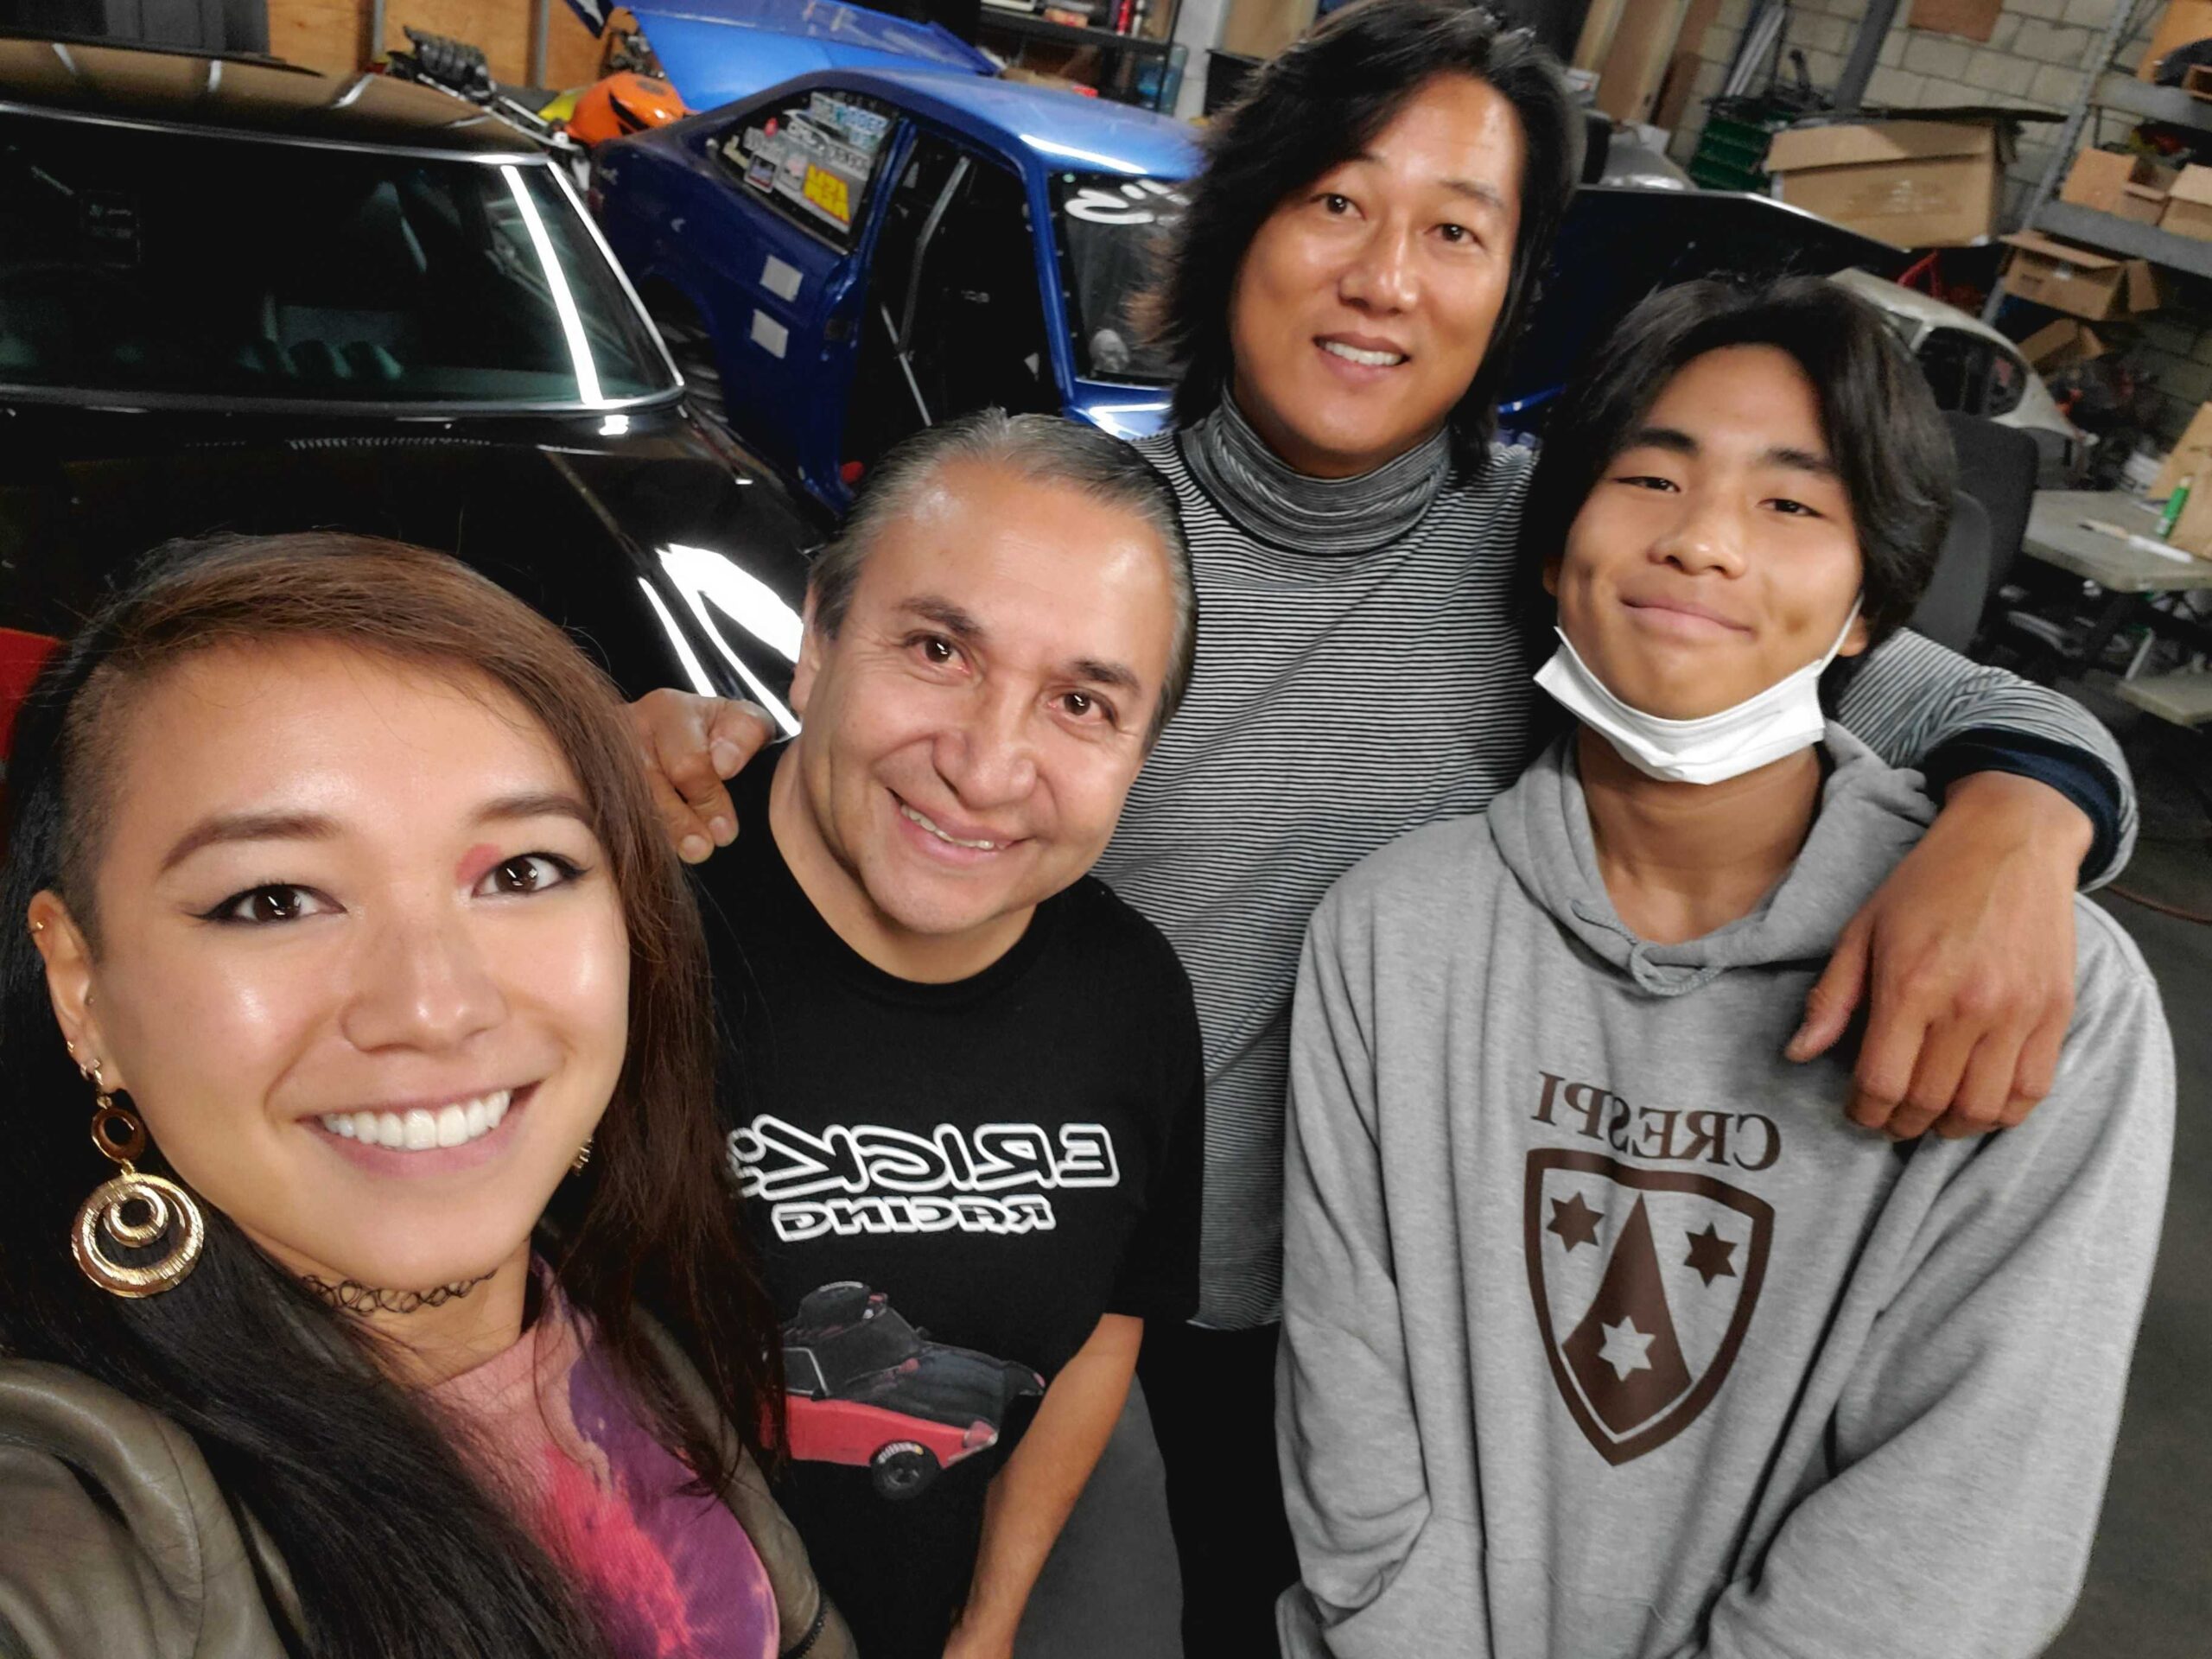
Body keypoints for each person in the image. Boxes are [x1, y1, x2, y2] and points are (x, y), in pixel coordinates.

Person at [628, 2, 2141, 1642]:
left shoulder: (1568, 553)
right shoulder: (1096, 549)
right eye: (1337, 203)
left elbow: (1891, 670)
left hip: (1432, 1330)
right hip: (1069, 1292)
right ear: (1239, 228)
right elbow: (915, 753)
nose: (1386, 279)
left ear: (1511, 289)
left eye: (1456, 232)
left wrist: (2022, 822)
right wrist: (673, 751)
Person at [1277, 277, 2173, 1658]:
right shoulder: (1395, 933)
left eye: (1791, 506)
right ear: (1551, 545)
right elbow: (1349, 1398)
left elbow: (1962, 1519)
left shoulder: (2044, 994)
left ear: (1873, 607)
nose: (1702, 543)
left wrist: (2033, 801)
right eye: (1649, 478)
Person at [0, 535, 851, 1659]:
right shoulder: (79, 1514)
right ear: (83, 988)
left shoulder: (620, 1327)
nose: (434, 1007)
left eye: (522, 872)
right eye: (272, 900)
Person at [690, 411, 1205, 1658]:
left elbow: (1096, 1337)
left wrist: (988, 1625)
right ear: (816, 640)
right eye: (936, 648)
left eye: (1081, 702)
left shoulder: (1130, 994)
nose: (986, 766)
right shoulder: (622, 924)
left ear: (1141, 752)